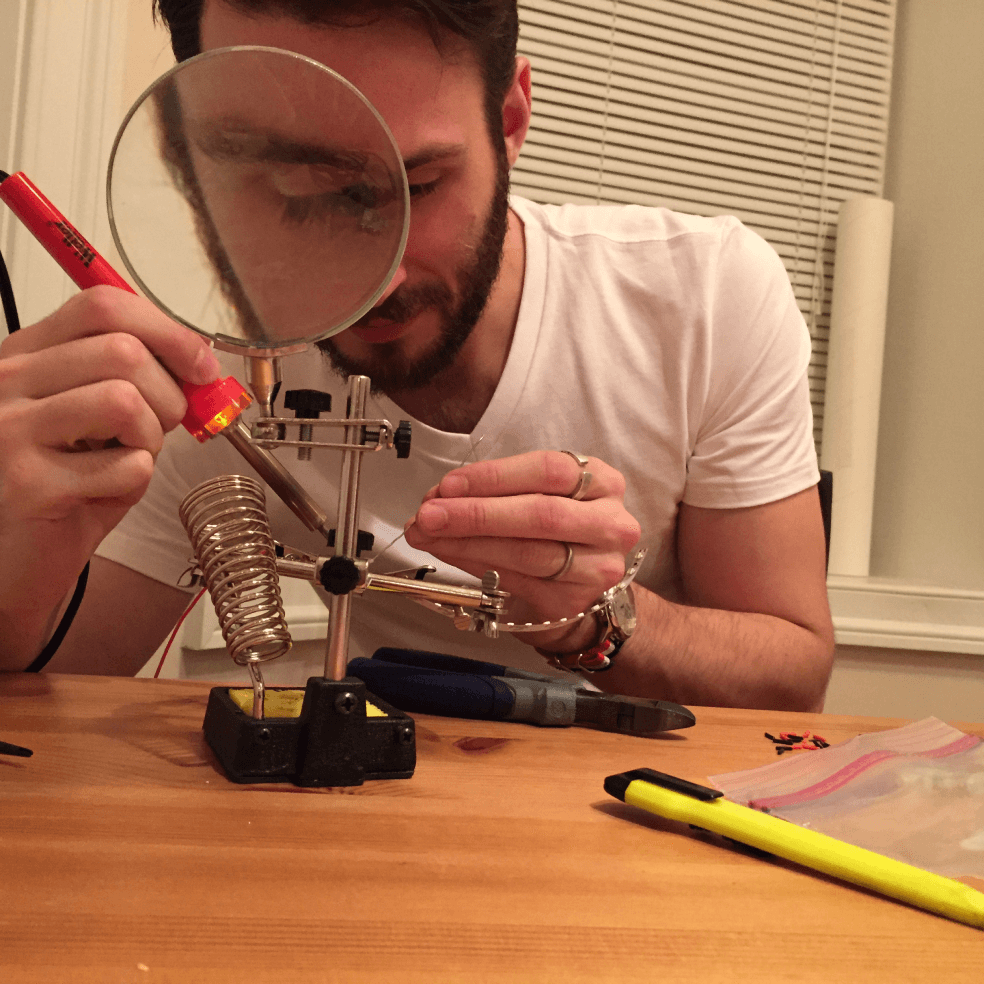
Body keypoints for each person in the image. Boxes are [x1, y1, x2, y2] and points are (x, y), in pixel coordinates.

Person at [0, 0, 834, 710]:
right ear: (187, 163)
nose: (370, 277)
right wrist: (20, 536)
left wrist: (593, 620)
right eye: (288, 196)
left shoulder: (704, 294)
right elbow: (55, 683)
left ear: (510, 121)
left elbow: (793, 675)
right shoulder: (201, 369)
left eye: (418, 186)